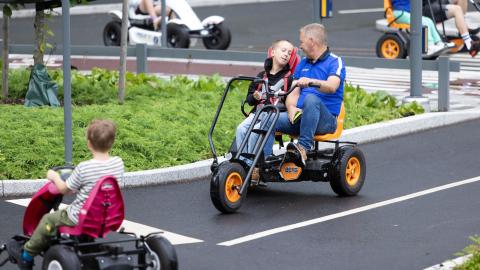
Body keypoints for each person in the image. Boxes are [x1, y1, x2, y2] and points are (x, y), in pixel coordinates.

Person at [8, 119, 125, 270]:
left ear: (88, 143)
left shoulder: (84, 168)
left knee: (48, 220)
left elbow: (65, 189)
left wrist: (54, 176)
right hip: (108, 215)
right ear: (112, 142)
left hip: (79, 217)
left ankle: (27, 255)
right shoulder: (118, 163)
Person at [263, 23, 344, 167]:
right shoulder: (303, 64)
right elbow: (293, 93)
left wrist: (311, 81)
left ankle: (303, 148)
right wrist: (291, 108)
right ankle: (264, 163)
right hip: (300, 117)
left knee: (311, 99)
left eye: (301, 41)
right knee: (269, 117)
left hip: (326, 121)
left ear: (312, 41)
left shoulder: (335, 61)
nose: (299, 46)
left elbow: (332, 86)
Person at [235, 40, 295, 171]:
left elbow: (291, 101)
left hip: (275, 113)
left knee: (254, 132)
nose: (286, 55)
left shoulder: (289, 79)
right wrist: (255, 97)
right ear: (273, 52)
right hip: (258, 112)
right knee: (241, 129)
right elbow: (249, 100)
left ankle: (252, 166)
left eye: (289, 53)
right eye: (283, 51)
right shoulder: (261, 76)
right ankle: (242, 162)